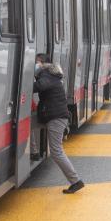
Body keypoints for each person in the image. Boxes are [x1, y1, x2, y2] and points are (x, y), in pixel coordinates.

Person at [33, 54, 83, 194]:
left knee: (56, 152)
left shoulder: (46, 74)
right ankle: (34, 151)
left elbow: (39, 86)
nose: (35, 65)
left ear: (42, 63)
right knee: (30, 127)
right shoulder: (51, 74)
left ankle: (76, 181)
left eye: (36, 62)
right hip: (52, 116)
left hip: (56, 118)